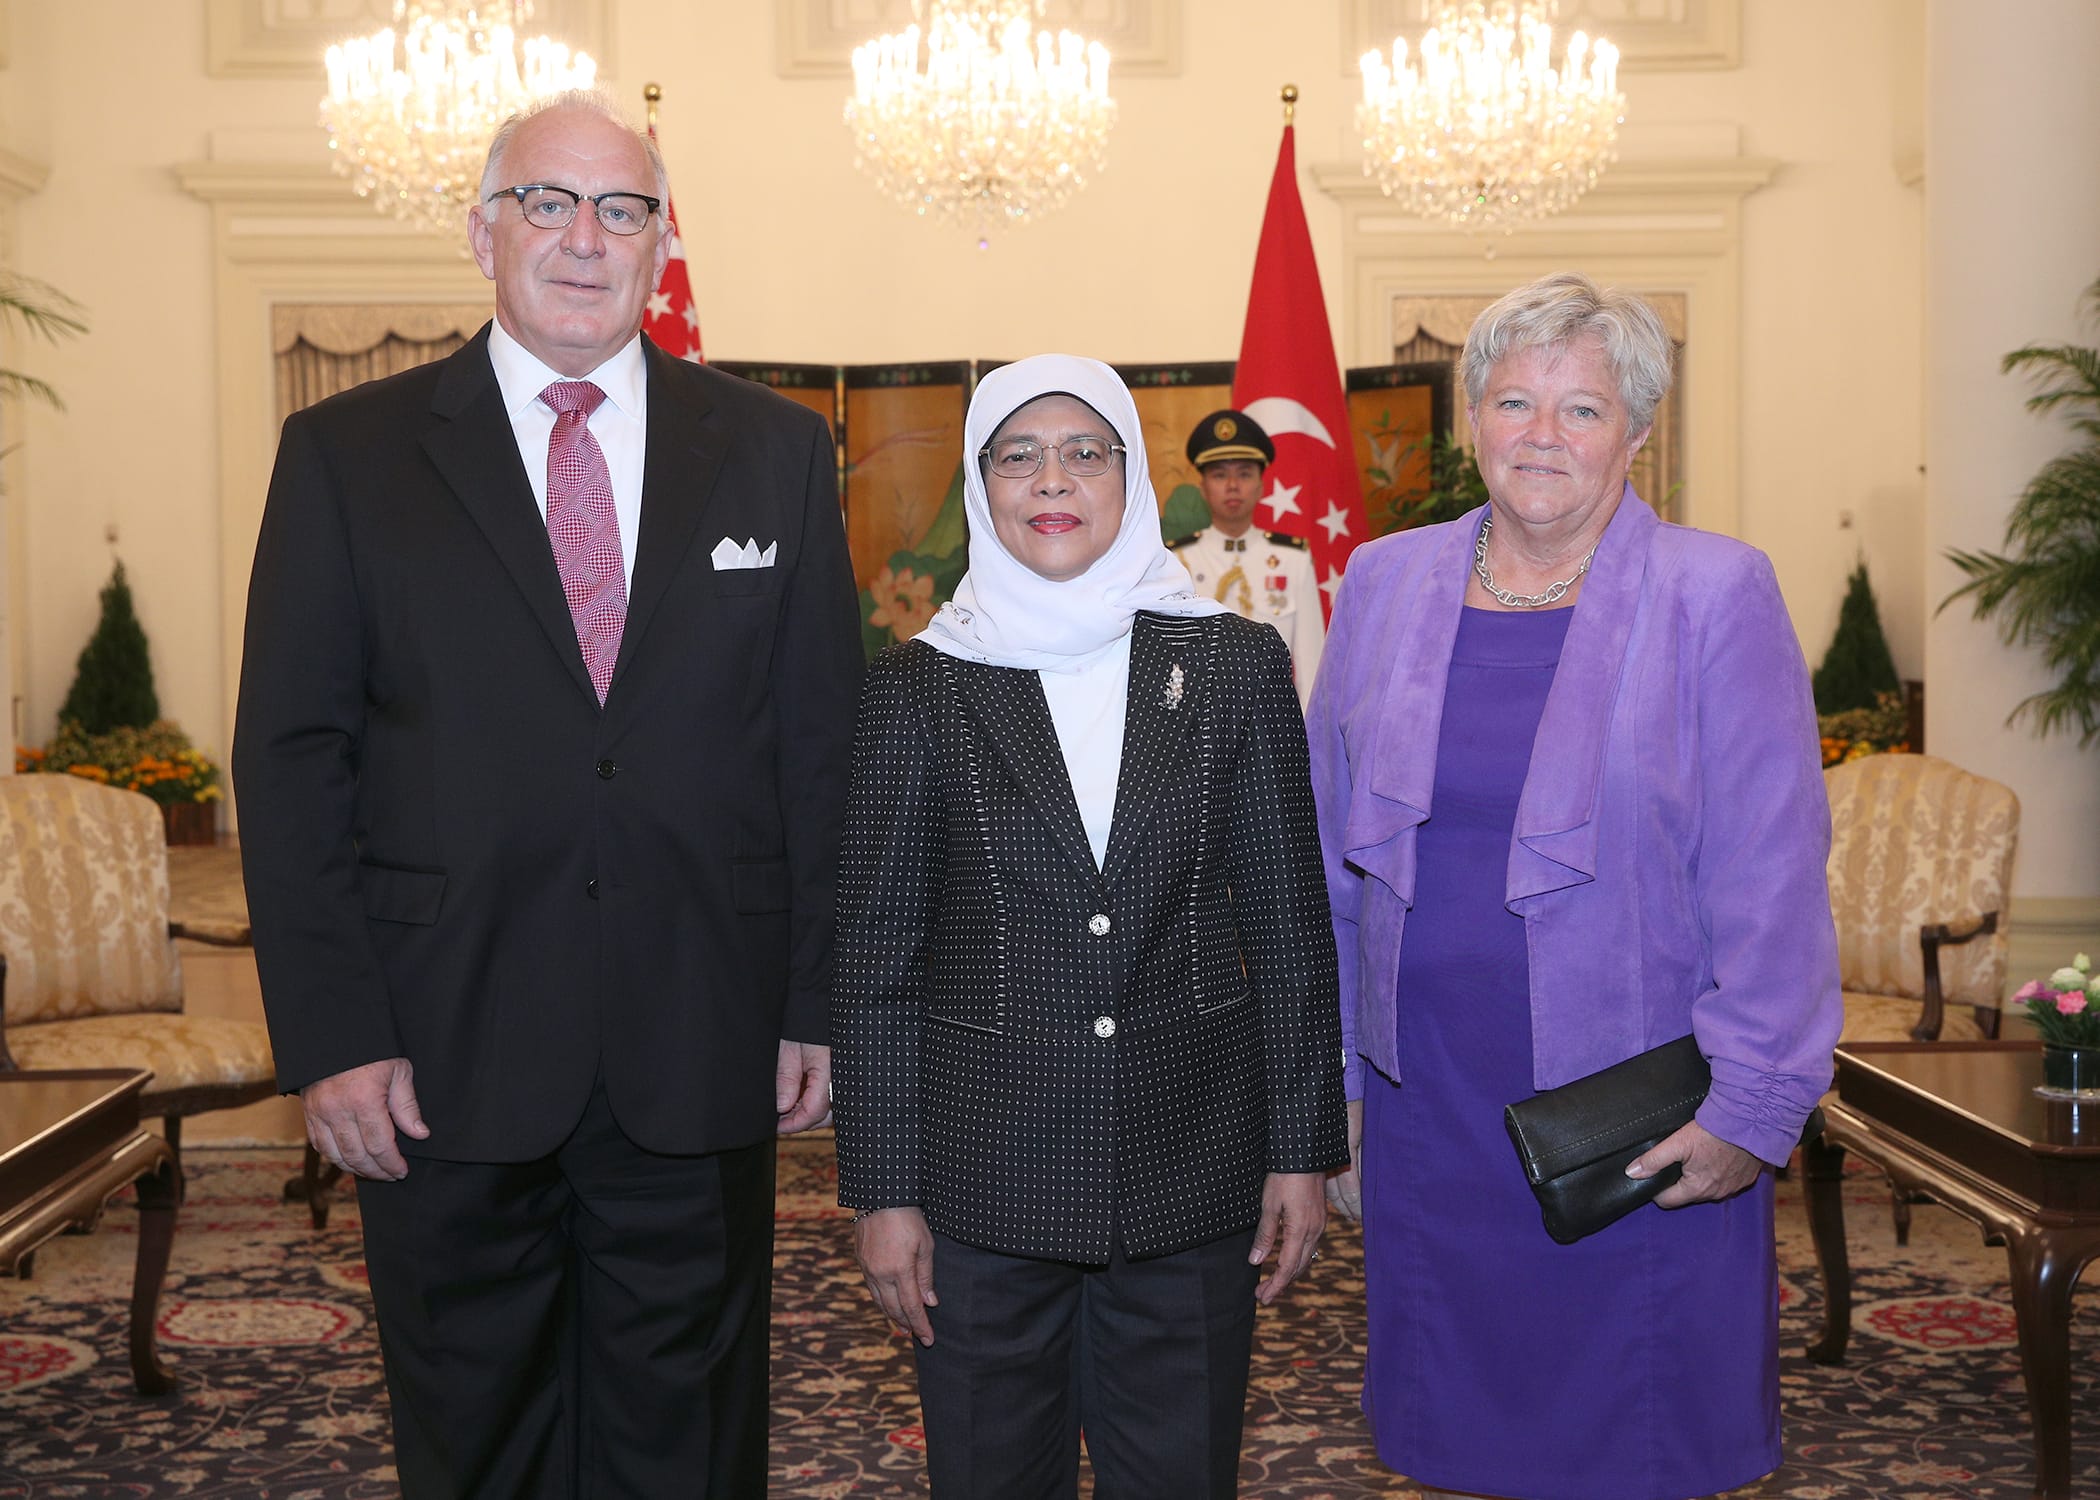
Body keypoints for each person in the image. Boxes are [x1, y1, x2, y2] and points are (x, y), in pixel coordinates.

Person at [232, 90, 861, 1497]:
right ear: (482, 231)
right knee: (476, 1439)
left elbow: (821, 747)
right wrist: (333, 1034)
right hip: (439, 1047)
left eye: (623, 209)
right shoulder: (348, 456)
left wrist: (814, 998)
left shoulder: (771, 449)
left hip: (703, 1032)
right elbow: (291, 761)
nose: (587, 239)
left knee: (686, 1442)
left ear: (658, 244)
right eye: (550, 203)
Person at [1308, 272, 1841, 1500]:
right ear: (1470, 422)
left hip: (1641, 1118)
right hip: (1426, 1100)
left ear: (1640, 434)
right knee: (1452, 1436)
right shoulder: (1384, 585)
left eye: (1583, 409)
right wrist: (1328, 1081)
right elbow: (1326, 856)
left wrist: (1752, 1105)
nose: (1542, 435)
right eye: (1512, 401)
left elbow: (1771, 871)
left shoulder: (1717, 592)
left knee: (1637, 1442)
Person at [831, 354, 1347, 1498]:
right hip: (979, 1187)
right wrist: (882, 1189)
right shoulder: (918, 686)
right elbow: (873, 962)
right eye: (1017, 454)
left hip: (1193, 1166)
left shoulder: (1232, 663)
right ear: (981, 483)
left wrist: (1303, 1146)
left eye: (1084, 451)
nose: (1050, 479)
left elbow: (1289, 922)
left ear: (1128, 479)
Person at [1169, 408, 1325, 706]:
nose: (1232, 486)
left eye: (1244, 474)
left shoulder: (1292, 559)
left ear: (1261, 486)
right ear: (1203, 488)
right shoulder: (1177, 561)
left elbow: (1312, 663)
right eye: (1219, 475)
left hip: (1273, 718)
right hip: (1200, 721)